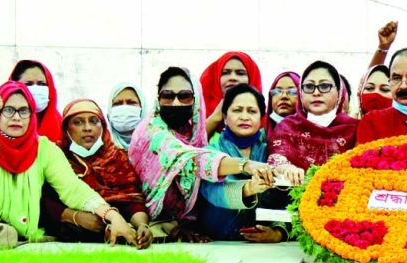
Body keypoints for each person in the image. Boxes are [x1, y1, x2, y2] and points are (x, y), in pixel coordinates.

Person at [0, 81, 137, 245]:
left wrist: (112, 215)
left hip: (24, 236)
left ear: (32, 115)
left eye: (24, 111)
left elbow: (72, 188)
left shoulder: (43, 148)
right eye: (8, 110)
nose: (17, 117)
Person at [129, 67, 272, 243]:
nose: (176, 103)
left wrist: (279, 232)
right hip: (146, 225)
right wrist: (246, 168)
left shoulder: (196, 137)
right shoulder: (150, 131)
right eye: (167, 96)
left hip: (188, 231)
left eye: (184, 96)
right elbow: (189, 160)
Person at [41, 99, 153, 249]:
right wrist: (76, 217)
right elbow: (45, 201)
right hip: (71, 227)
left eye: (94, 121)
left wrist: (142, 225)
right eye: (78, 122)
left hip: (118, 223)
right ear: (66, 128)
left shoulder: (117, 157)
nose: (88, 128)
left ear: (103, 127)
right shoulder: (55, 155)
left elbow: (131, 200)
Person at [200, 84, 302, 242]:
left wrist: (278, 233)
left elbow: (286, 201)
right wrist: (249, 188)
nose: (244, 116)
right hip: (216, 245)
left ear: (262, 119)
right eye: (237, 110)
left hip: (263, 251)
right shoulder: (211, 151)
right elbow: (212, 191)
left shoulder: (272, 153)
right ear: (225, 117)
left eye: (252, 111)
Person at [268, 61, 357, 171]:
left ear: (339, 91)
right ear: (301, 92)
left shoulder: (354, 128)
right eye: (309, 86)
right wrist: (284, 168)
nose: (316, 92)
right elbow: (276, 159)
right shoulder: (286, 127)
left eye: (324, 86)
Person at [200, 51, 262, 137]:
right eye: (225, 73)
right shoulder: (199, 112)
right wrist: (216, 117)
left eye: (240, 73)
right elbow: (192, 145)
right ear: (216, 77)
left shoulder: (264, 119)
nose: (232, 78)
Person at [9, 60, 63, 143]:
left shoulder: (61, 126)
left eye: (41, 84)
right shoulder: (0, 120)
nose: (36, 89)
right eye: (29, 84)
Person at [106, 83, 147, 150]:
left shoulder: (155, 147)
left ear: (143, 108)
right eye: (117, 104)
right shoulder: (101, 147)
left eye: (131, 102)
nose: (124, 107)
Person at [265, 72, 300, 136]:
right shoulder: (259, 137)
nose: (284, 96)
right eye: (278, 91)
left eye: (292, 92)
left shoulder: (312, 132)